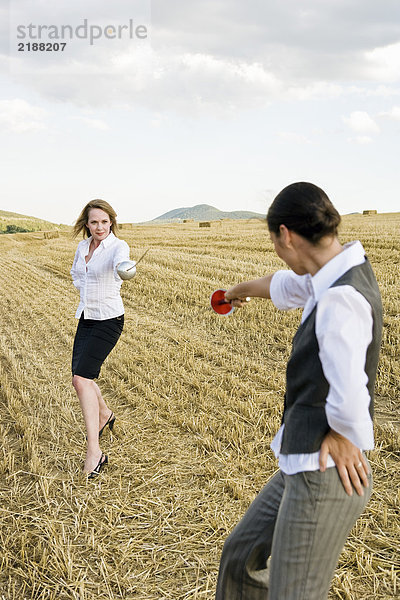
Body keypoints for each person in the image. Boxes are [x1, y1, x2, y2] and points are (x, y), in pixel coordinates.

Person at [215, 182, 382, 600]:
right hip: (300, 461)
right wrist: (235, 292)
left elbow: (351, 391)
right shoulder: (330, 276)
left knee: (294, 593)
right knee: (241, 556)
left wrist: (344, 435)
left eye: (274, 240)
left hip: (321, 473)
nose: (276, 249)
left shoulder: (339, 299)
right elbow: (285, 285)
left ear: (285, 235)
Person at [70, 199, 130, 478]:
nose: (99, 227)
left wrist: (124, 270)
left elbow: (122, 264)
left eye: (104, 222)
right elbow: (75, 274)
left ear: (111, 222)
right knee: (81, 378)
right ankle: (104, 414)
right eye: (94, 222)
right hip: (87, 318)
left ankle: (94, 452)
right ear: (87, 224)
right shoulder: (83, 247)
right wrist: (85, 291)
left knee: (82, 380)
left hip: (108, 320)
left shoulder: (118, 247)